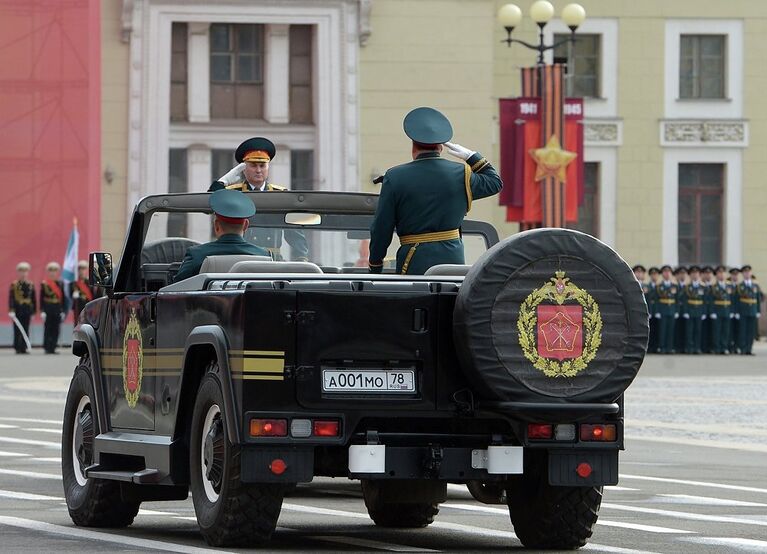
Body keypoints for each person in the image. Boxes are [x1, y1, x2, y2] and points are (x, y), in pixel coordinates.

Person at [369, 107, 503, 274]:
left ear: (413, 146)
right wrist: (472, 156)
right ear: (440, 147)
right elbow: (495, 182)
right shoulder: (462, 174)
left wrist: (375, 265)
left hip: (413, 260)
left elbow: (382, 228)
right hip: (453, 261)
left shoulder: (395, 177)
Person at [209, 137, 308, 262]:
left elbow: (294, 232)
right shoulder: (234, 192)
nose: (258, 170)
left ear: (268, 167)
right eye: (253, 165)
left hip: (272, 259)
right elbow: (209, 203)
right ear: (243, 169)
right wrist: (222, 182)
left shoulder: (280, 195)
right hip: (240, 257)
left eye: (262, 165)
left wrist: (301, 259)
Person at [174, 189, 270, 282]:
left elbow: (175, 291)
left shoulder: (197, 255)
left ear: (216, 225)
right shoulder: (263, 256)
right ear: (245, 225)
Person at [8, 262, 36, 354]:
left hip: (27, 309)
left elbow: (33, 299)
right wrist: (11, 309)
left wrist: (34, 311)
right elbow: (11, 298)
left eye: (25, 272)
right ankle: (17, 347)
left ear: (27, 273)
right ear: (18, 273)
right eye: (21, 272)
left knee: (26, 328)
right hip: (18, 309)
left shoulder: (30, 284)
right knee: (17, 329)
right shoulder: (14, 285)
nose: (23, 274)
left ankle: (24, 347)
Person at [735, 264, 762, 355]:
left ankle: (749, 349)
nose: (747, 274)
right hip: (743, 311)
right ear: (742, 274)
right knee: (743, 330)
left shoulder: (755, 285)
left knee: (751, 331)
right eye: (745, 272)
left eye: (748, 272)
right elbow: (737, 300)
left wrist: (758, 310)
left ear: (751, 273)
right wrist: (737, 311)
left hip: (753, 310)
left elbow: (758, 299)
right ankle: (743, 349)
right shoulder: (740, 286)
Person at [679, 265, 706, 354]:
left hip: (699, 311)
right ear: (690, 275)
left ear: (699, 275)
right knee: (689, 331)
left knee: (698, 330)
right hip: (690, 311)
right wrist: (685, 311)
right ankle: (689, 347)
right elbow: (685, 300)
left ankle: (697, 347)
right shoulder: (687, 287)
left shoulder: (703, 287)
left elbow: (705, 301)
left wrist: (704, 312)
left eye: (697, 273)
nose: (695, 275)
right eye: (693, 273)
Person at [40, 262, 65, 354]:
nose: (53, 273)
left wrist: (63, 310)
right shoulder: (44, 284)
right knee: (48, 328)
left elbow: (63, 298)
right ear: (48, 272)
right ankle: (47, 347)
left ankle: (53, 346)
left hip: (57, 308)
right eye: (51, 271)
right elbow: (41, 298)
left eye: (55, 271)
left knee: (56, 328)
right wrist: (42, 311)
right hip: (48, 308)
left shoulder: (60, 284)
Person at [709, 265, 734, 354]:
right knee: (717, 330)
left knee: (726, 330)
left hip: (727, 310)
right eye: (719, 273)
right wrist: (712, 312)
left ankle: (724, 347)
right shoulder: (713, 287)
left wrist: (732, 311)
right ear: (716, 275)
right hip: (717, 311)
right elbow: (711, 300)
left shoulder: (729, 286)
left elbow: (733, 300)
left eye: (723, 273)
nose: (722, 275)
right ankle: (717, 347)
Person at [656, 265, 679, 354]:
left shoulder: (675, 286)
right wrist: (657, 311)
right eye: (665, 272)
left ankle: (670, 347)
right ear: (662, 274)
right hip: (662, 310)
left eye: (669, 272)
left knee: (671, 330)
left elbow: (677, 300)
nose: (667, 274)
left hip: (672, 310)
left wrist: (677, 311)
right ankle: (662, 347)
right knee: (662, 330)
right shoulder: (659, 286)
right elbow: (656, 300)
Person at [646, 266, 660, 353]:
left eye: (655, 274)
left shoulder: (660, 286)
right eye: (652, 275)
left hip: (658, 312)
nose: (654, 276)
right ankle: (650, 347)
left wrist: (658, 311)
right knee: (650, 331)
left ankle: (656, 347)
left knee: (658, 330)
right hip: (650, 311)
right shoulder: (647, 286)